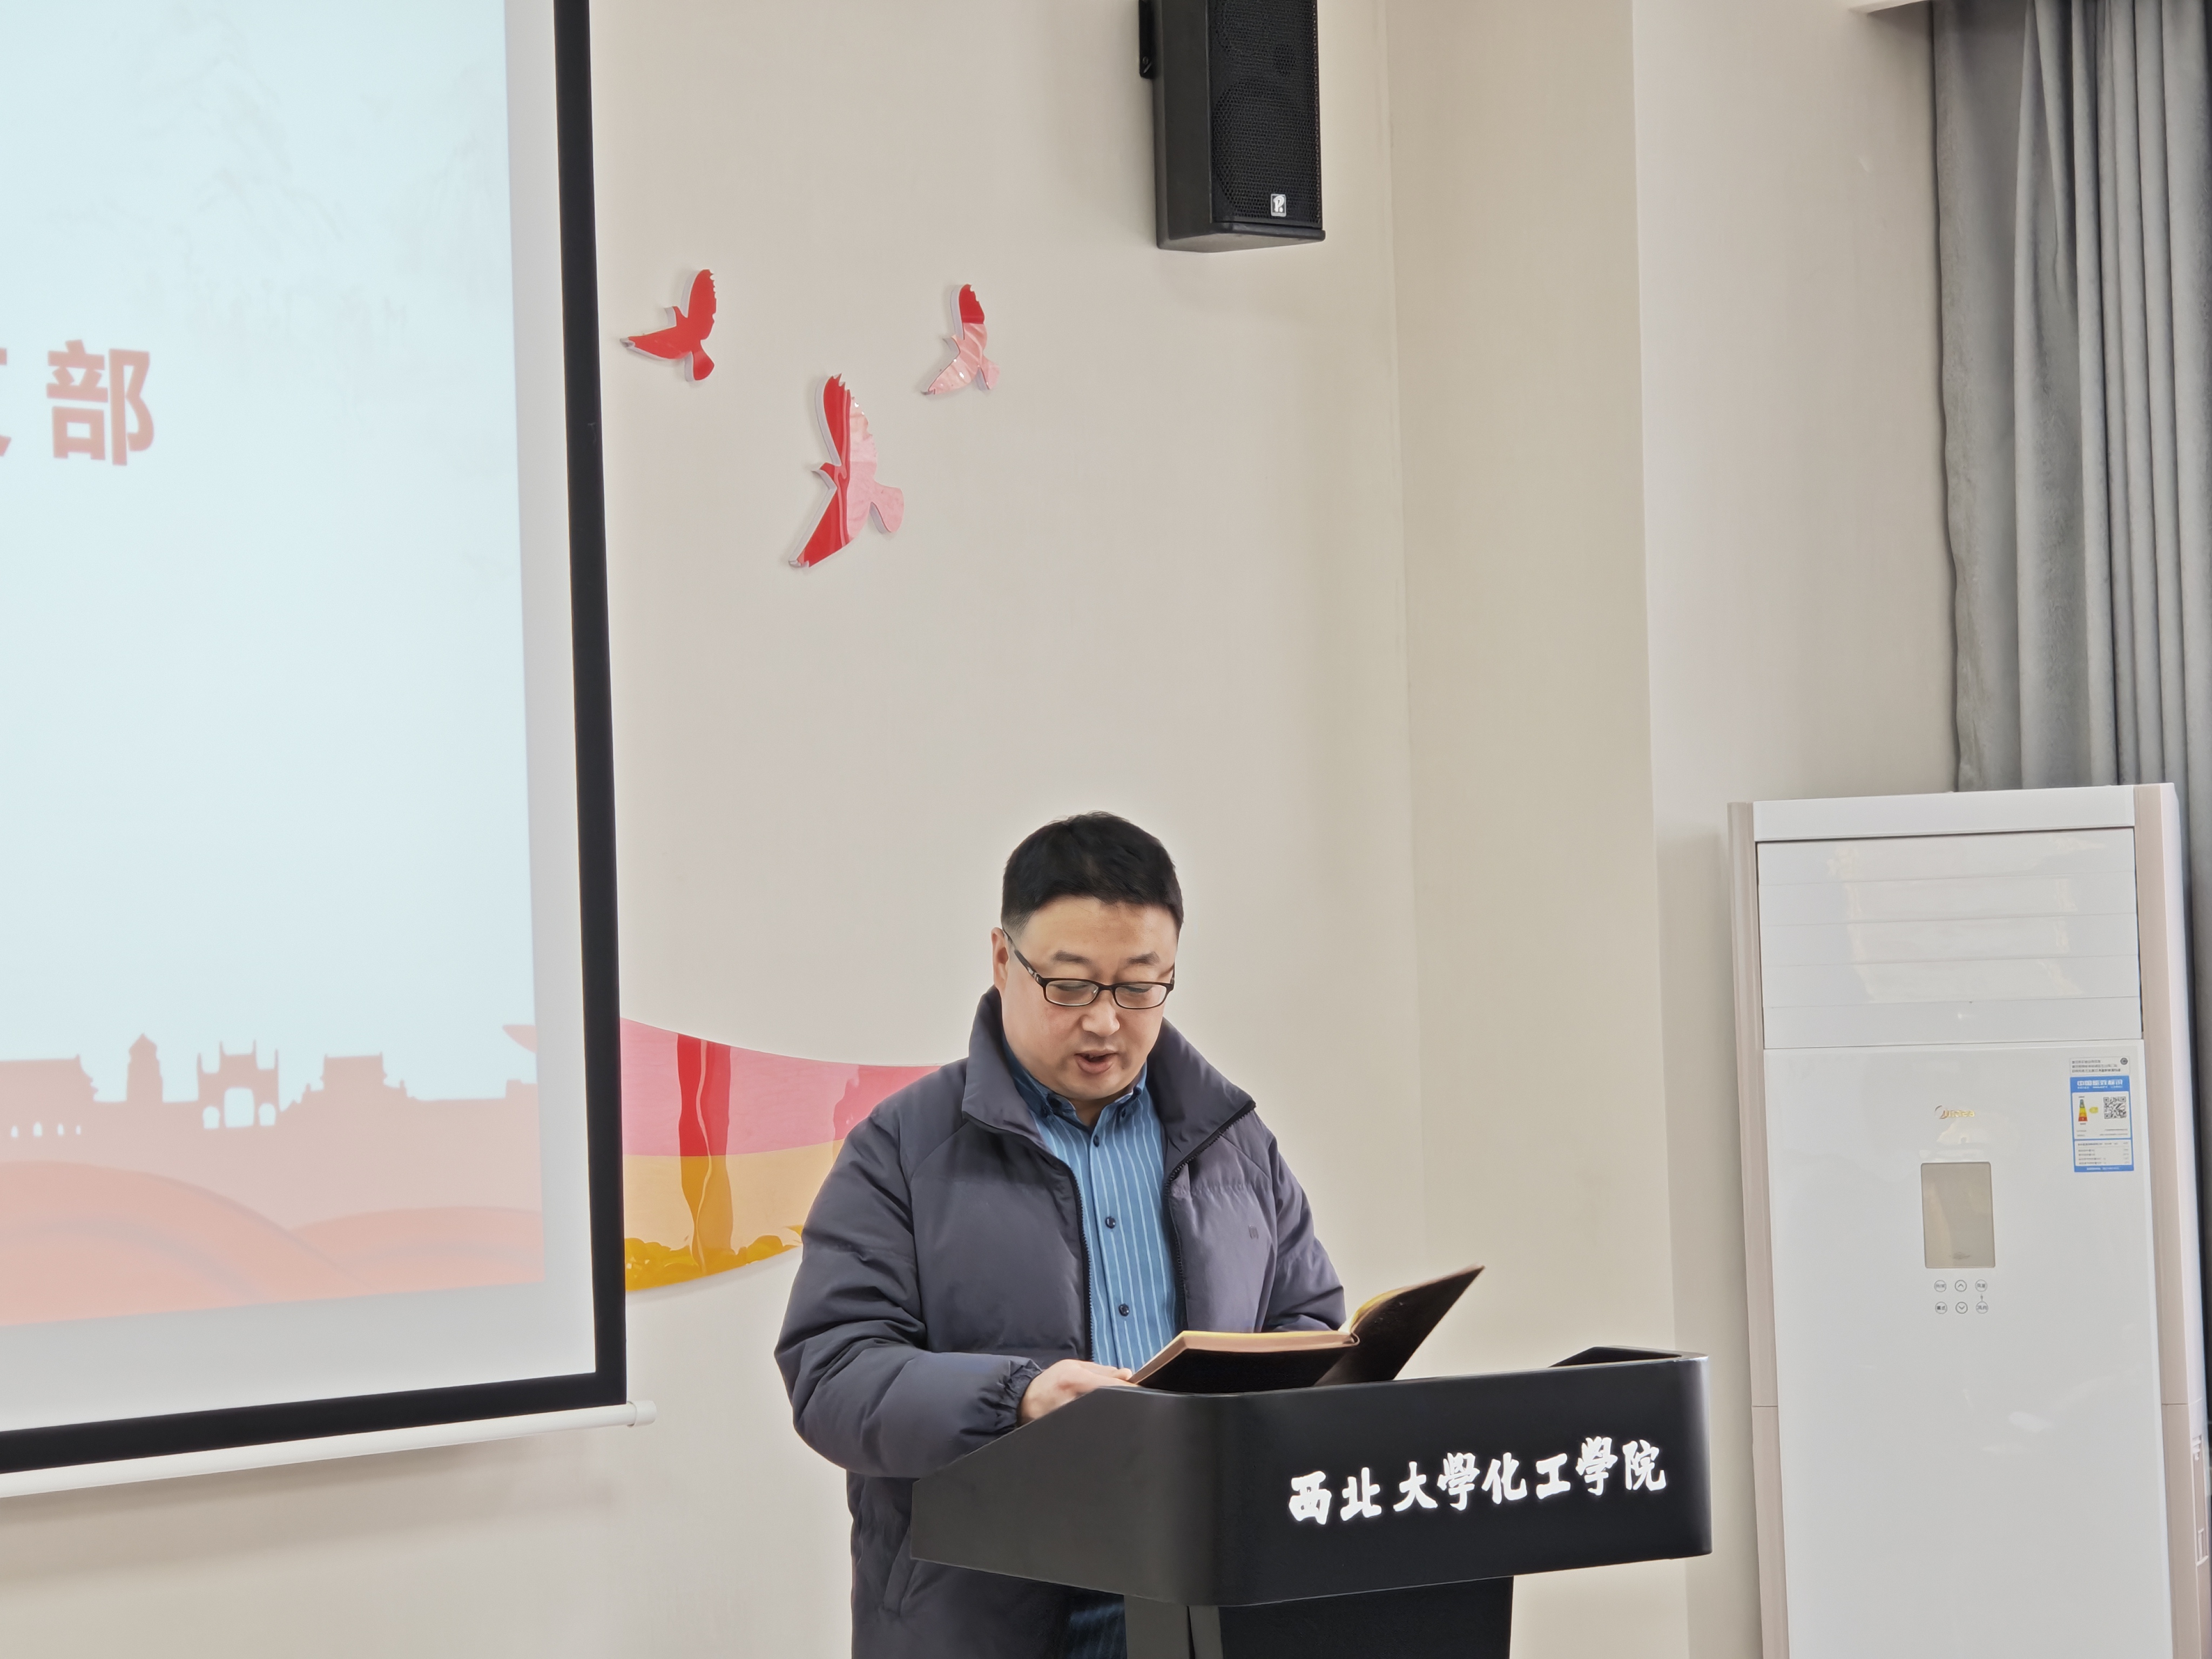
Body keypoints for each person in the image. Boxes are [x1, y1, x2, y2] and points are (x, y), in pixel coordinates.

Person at [777, 812, 1344, 1659]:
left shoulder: (1234, 1143)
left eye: (1140, 986)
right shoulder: (900, 1149)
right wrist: (1018, 1398)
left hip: (1205, 1605)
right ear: (1002, 960)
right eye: (1071, 986)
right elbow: (833, 1375)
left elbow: (1307, 1323)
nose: (1106, 1023)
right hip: (985, 1620)